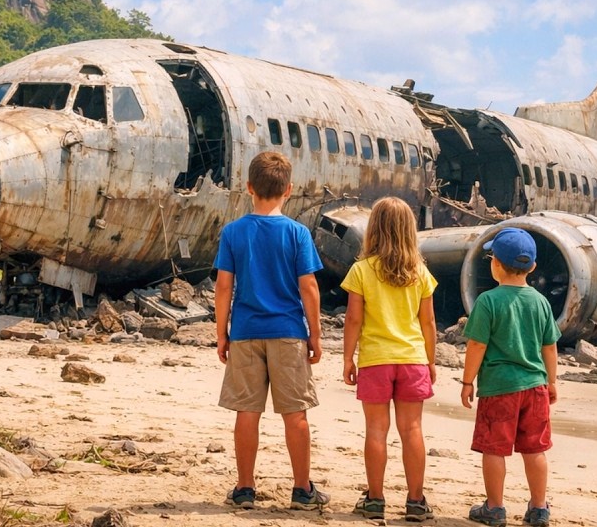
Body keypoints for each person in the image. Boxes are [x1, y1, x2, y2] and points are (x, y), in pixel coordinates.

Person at [214, 151, 328, 511]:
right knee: (295, 413)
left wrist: (221, 332)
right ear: (288, 190)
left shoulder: (233, 232)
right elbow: (308, 287)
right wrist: (315, 333)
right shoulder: (297, 233)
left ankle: (245, 488)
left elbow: (223, 287)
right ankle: (302, 489)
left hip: (245, 332)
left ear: (249, 187)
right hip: (288, 332)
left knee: (247, 412)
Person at [341, 197, 438, 522]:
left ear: (374, 229)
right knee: (412, 429)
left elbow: (353, 319)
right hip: (412, 359)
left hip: (376, 360)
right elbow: (428, 322)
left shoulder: (361, 270)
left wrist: (348, 358)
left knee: (376, 430)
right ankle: (416, 501)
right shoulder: (420, 272)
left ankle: (375, 499)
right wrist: (430, 361)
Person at [460, 228, 559, 527]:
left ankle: (494, 507)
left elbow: (477, 345)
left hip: (499, 388)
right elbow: (549, 346)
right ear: (533, 266)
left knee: (494, 448)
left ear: (496, 265)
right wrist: (552, 381)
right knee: (535, 448)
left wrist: (468, 381)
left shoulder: (488, 301)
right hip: (536, 387)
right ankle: (539, 508)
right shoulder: (541, 302)